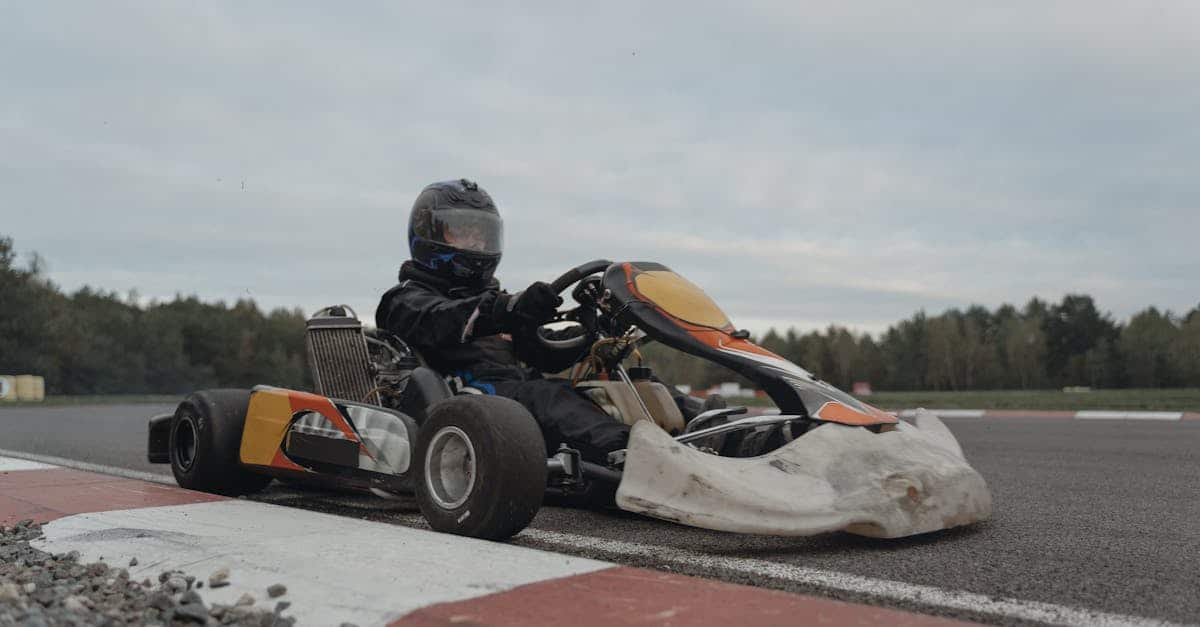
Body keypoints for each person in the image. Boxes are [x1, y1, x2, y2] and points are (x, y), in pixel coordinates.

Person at [376, 179, 645, 463]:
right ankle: (632, 457)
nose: (477, 244)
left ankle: (688, 437)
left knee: (633, 388)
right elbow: (445, 319)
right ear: (428, 234)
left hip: (516, 398)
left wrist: (592, 331)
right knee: (546, 397)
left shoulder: (493, 303)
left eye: (482, 235)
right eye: (463, 233)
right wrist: (508, 308)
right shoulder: (404, 300)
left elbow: (541, 353)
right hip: (465, 403)